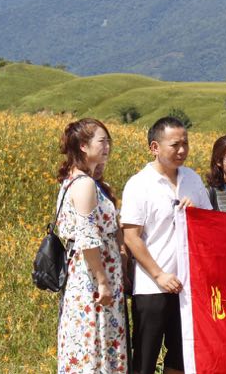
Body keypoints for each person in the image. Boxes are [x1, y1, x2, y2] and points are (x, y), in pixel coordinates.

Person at [120, 117, 212, 374]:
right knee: (145, 356)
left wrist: (196, 215)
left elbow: (210, 223)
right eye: (175, 145)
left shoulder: (192, 178)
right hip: (152, 285)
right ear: (155, 147)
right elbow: (132, 237)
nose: (182, 150)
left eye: (185, 144)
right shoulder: (139, 184)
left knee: (181, 355)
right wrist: (159, 274)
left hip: (187, 285)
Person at [55, 118, 128, 373]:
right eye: (102, 141)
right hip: (91, 278)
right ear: (84, 146)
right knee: (93, 344)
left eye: (108, 141)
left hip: (90, 274)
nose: (107, 146)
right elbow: (87, 237)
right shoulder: (84, 184)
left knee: (93, 344)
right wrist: (102, 281)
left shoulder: (82, 180)